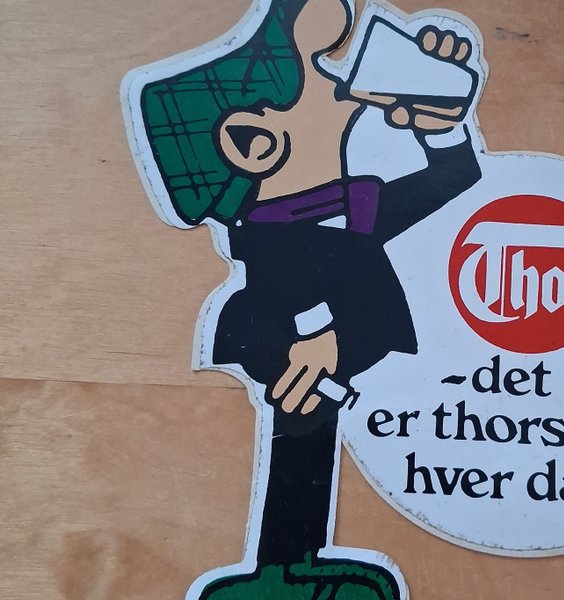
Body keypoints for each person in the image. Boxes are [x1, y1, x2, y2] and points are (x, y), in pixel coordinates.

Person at [137, 0, 481, 597]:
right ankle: (282, 567)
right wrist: (316, 335)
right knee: (298, 430)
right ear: (256, 143)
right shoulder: (273, 237)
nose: (342, 78)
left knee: (311, 434)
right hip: (282, 346)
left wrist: (442, 125)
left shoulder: (357, 205)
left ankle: (296, 561)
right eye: (319, 75)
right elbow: (270, 300)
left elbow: (454, 177)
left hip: (340, 354)